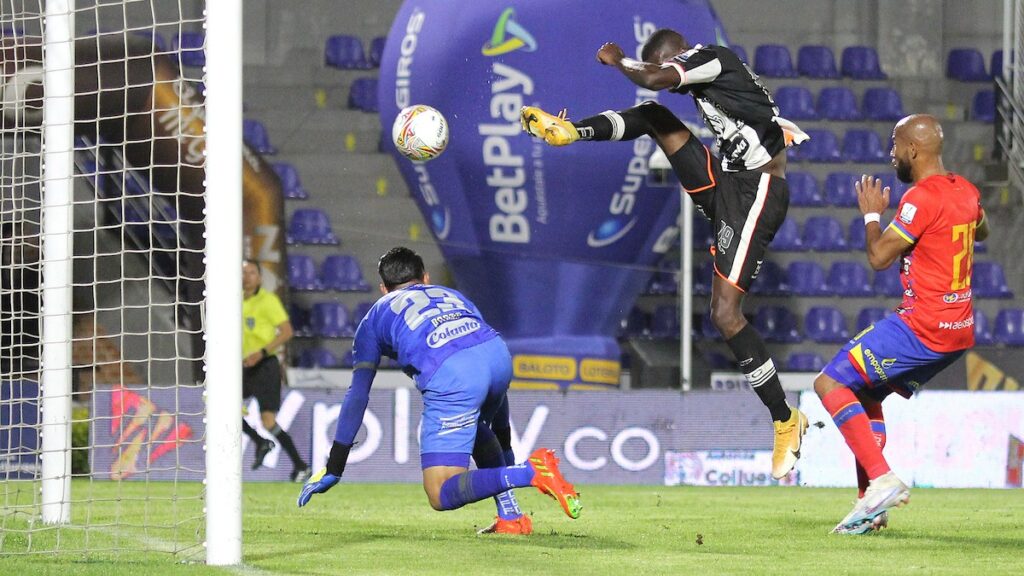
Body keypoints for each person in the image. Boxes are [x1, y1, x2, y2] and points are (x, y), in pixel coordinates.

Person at [521, 29, 809, 479]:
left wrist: (619, 61)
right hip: (729, 183)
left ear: (680, 57)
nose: (677, 81)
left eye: (673, 69)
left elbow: (655, 78)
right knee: (656, 117)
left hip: (758, 191)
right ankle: (572, 132)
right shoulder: (711, 79)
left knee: (725, 314)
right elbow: (660, 91)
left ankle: (785, 419)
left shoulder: (711, 58)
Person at [296, 247, 580, 533]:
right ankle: (512, 517)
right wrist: (504, 442)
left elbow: (357, 395)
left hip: (453, 373)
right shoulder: (452, 295)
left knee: (440, 491)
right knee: (478, 428)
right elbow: (484, 362)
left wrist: (335, 466)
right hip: (498, 356)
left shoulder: (374, 318)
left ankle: (530, 472)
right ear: (426, 277)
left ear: (384, 289)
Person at [817, 115, 989, 534]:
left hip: (923, 326)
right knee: (865, 392)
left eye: (895, 144)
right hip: (958, 330)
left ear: (913, 150)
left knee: (830, 384)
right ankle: (869, 510)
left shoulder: (919, 198)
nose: (891, 152)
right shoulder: (965, 190)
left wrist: (872, 216)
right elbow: (980, 230)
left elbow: (879, 258)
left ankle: (881, 480)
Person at [242, 259, 310, 481]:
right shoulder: (232, 301)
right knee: (221, 410)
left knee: (268, 421)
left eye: (252, 272)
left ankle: (301, 466)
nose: (247, 277)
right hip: (240, 366)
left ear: (260, 277)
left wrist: (261, 352)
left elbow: (286, 331)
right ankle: (261, 441)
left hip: (264, 365)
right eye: (243, 272)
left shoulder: (268, 301)